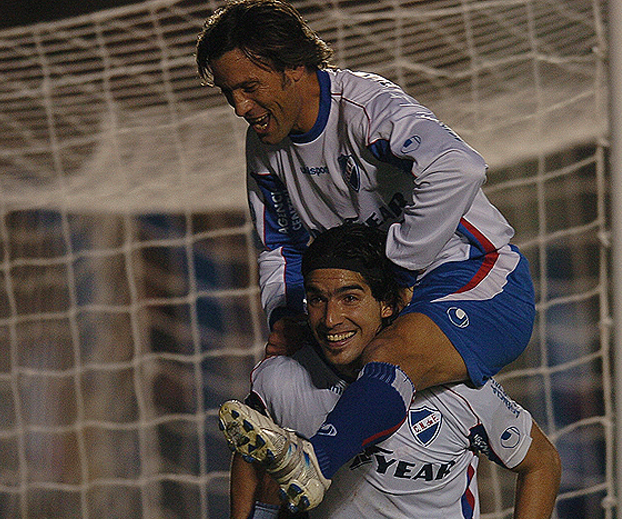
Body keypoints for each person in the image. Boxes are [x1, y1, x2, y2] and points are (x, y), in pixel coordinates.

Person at [197, 0, 536, 510]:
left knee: (386, 356)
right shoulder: (264, 149)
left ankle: (316, 461)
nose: (240, 107)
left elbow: (458, 168)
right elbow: (281, 245)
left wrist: (400, 263)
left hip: (478, 274)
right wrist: (287, 312)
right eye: (230, 94)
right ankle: (304, 464)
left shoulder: (366, 110)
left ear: (294, 68)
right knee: (282, 392)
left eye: (249, 87)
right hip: (385, 299)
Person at [220, 223, 560, 519]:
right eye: (318, 299)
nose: (330, 319)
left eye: (349, 298)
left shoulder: (457, 390)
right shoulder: (279, 379)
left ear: (388, 304)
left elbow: (542, 462)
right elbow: (253, 455)